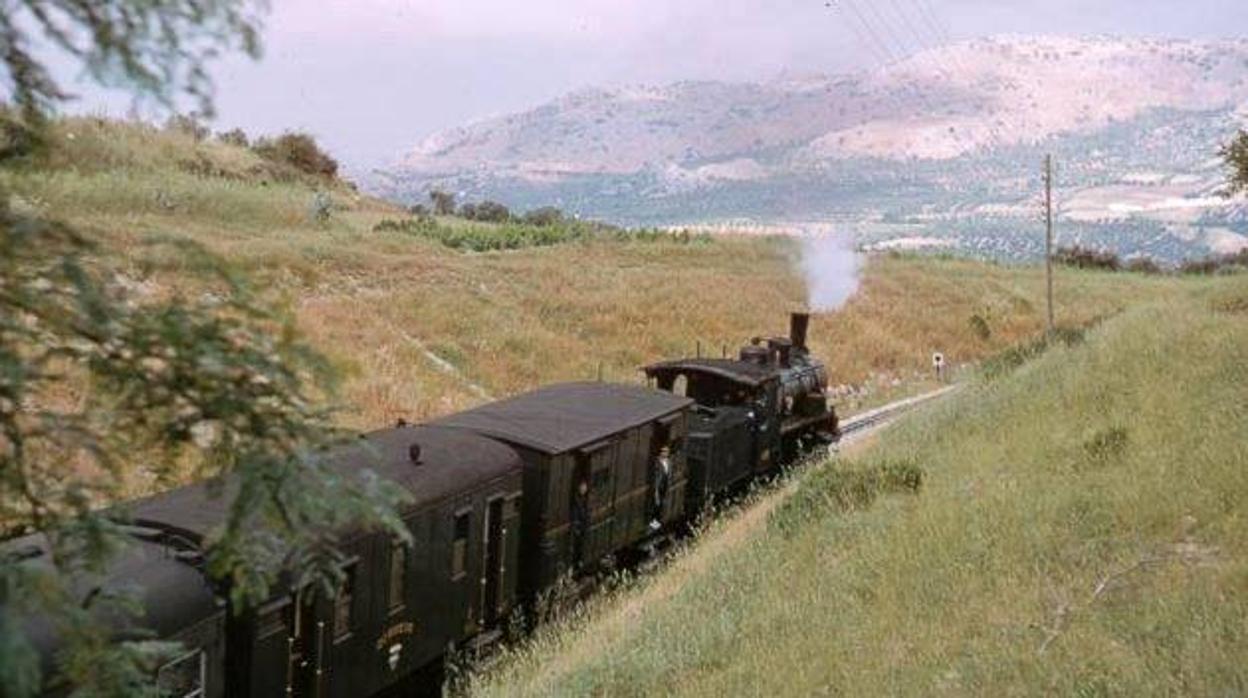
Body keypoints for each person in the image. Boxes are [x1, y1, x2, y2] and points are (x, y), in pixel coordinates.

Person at [650, 446, 672, 531]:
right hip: (658, 486)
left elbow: (669, 474)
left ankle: (659, 522)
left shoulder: (669, 462)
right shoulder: (657, 462)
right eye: (663, 451)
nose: (665, 453)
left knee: (662, 504)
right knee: (656, 504)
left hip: (665, 486)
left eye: (666, 452)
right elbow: (656, 475)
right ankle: (654, 522)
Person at [570, 477, 590, 570]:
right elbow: (575, 513)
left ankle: (579, 560)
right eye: (582, 487)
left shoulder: (583, 499)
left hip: (581, 524)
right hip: (577, 524)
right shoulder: (576, 499)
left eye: (585, 488)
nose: (584, 489)